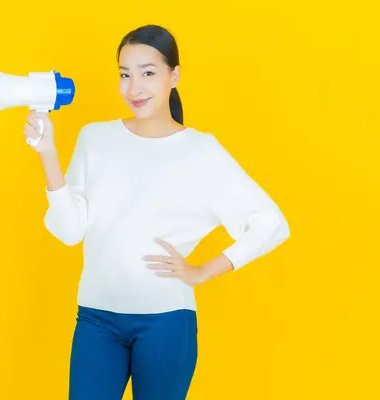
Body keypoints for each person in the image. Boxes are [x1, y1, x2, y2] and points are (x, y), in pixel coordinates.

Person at [23, 24, 290, 400]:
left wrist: (203, 271)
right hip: (96, 320)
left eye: (148, 73)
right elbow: (69, 232)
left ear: (174, 75)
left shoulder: (201, 151)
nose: (135, 88)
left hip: (166, 324)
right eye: (124, 75)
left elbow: (271, 224)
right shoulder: (95, 138)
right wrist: (47, 154)